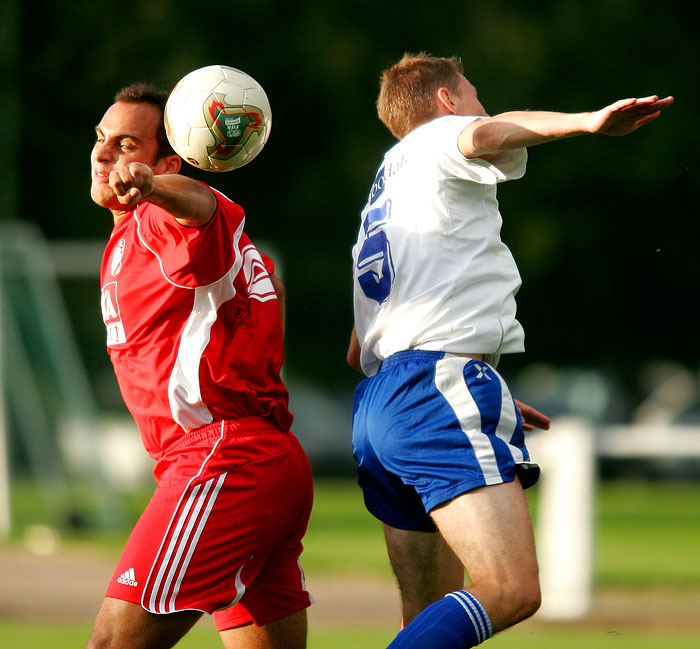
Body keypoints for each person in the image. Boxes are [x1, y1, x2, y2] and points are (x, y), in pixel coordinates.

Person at [347, 52, 673, 649]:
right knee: (511, 589)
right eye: (474, 92)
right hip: (432, 390)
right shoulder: (438, 137)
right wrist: (588, 122)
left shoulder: (385, 191)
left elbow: (359, 348)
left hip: (381, 403)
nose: (481, 105)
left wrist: (470, 387)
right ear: (445, 101)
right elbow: (487, 132)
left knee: (430, 616)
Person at [87, 83, 313, 649]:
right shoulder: (140, 237)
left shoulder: (158, 219)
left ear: (167, 161)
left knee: (112, 645)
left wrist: (153, 188)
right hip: (265, 458)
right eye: (100, 139)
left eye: (126, 144)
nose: (103, 155)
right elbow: (274, 290)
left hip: (220, 459)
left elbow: (204, 204)